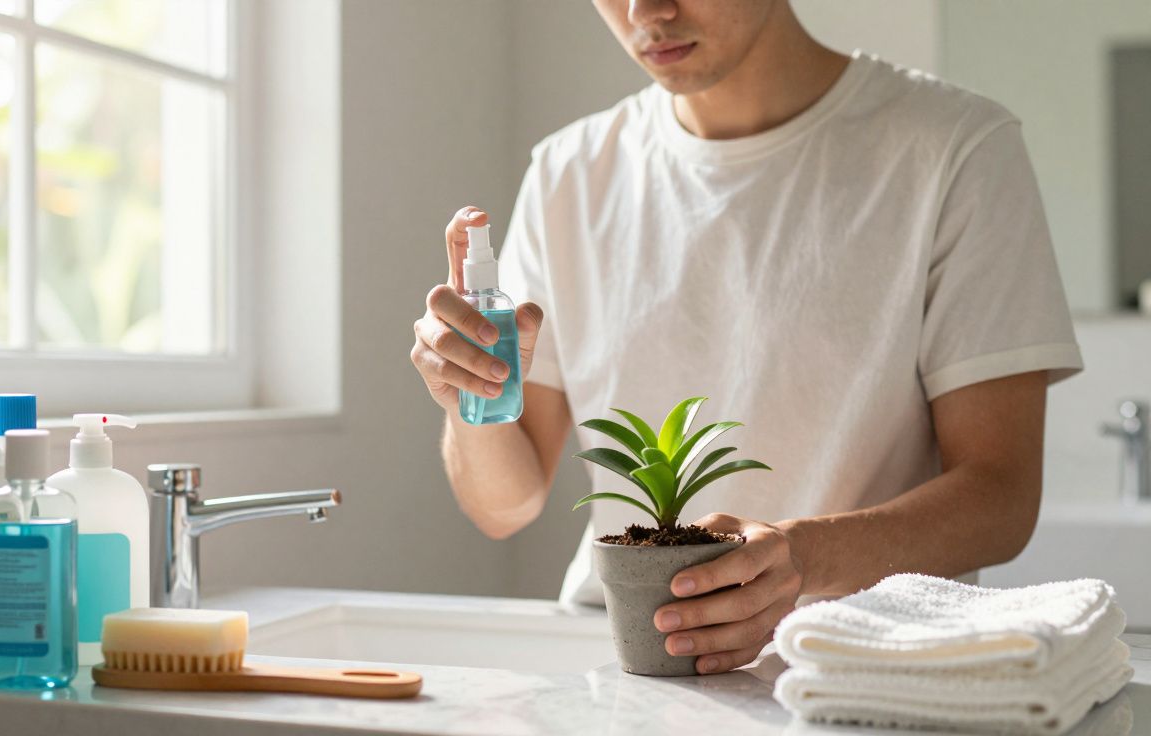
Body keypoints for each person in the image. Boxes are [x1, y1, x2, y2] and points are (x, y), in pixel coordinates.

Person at [408, 0, 1082, 675]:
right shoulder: (568, 173)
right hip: (620, 666)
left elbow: (999, 496)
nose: (647, 11)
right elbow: (506, 506)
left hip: (862, 671)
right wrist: (470, 395)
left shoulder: (955, 146)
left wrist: (802, 557)